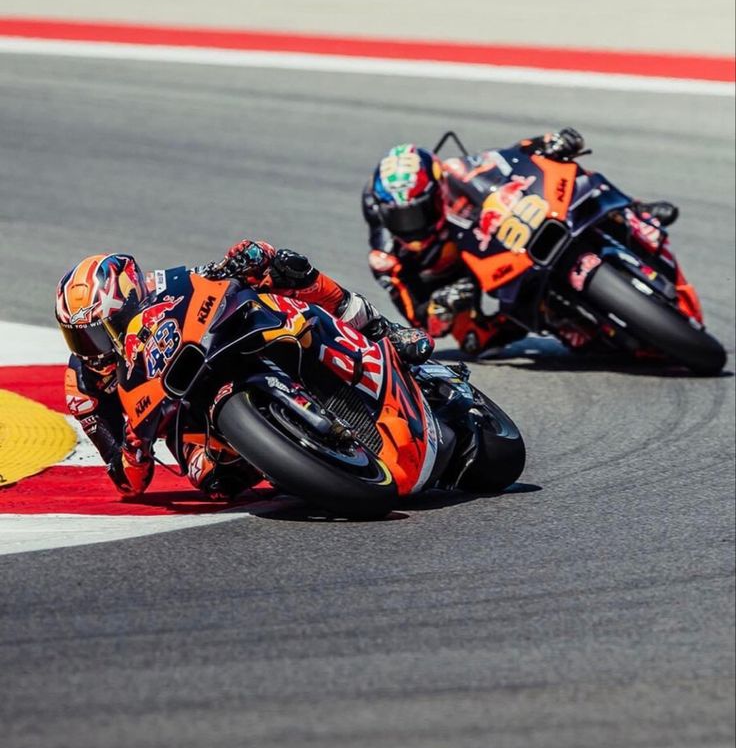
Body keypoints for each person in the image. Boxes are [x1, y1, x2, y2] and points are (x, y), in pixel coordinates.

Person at [56, 242, 432, 501]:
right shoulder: (84, 387)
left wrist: (248, 256)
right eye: (82, 338)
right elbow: (126, 483)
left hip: (217, 349)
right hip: (183, 416)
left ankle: (383, 331)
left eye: (102, 331)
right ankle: (293, 462)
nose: (95, 347)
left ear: (130, 299)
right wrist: (135, 449)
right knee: (213, 481)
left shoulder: (159, 285)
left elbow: (221, 273)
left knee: (285, 267)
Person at [363, 129, 678, 355]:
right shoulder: (386, 258)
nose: (411, 226)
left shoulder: (454, 173)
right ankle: (556, 315)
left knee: (566, 170)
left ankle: (634, 208)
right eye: (401, 218)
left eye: (418, 212)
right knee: (475, 340)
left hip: (499, 236)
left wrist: (547, 143)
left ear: (437, 190)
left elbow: (509, 159)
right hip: (463, 280)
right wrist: (442, 305)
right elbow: (419, 324)